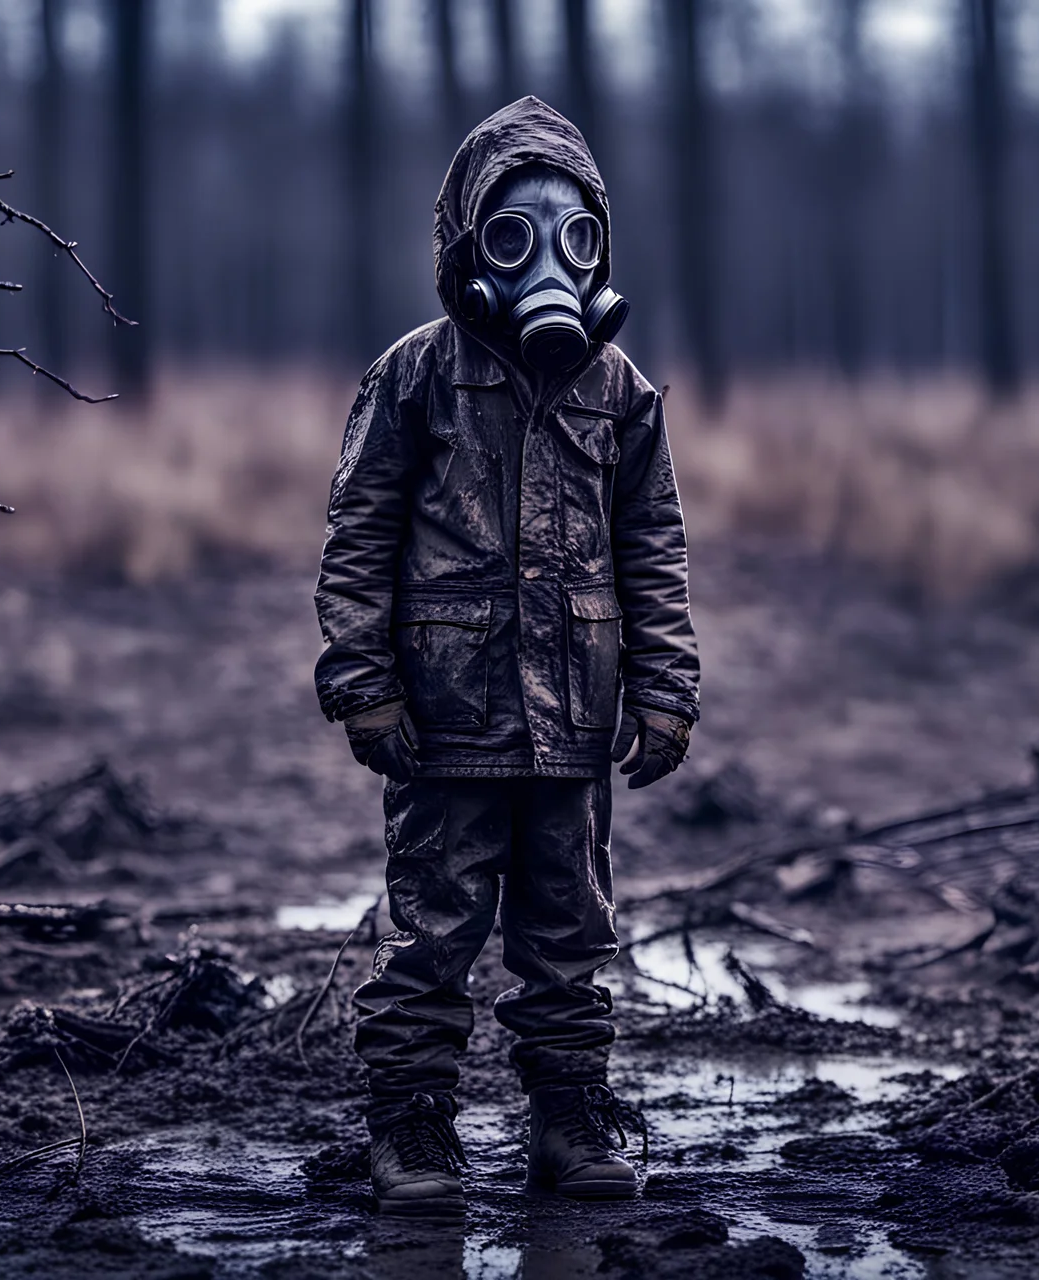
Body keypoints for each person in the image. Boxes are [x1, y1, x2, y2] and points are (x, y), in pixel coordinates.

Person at [313, 96, 699, 1218]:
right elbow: (359, 533)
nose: (548, 264)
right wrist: (365, 681)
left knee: (569, 934)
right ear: (467, 246)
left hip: (572, 721)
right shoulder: (417, 376)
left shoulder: (620, 394)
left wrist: (666, 691)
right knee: (430, 933)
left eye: (575, 238)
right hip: (446, 720)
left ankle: (570, 1117)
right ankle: (412, 1129)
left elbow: (653, 544)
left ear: (602, 250)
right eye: (514, 235)